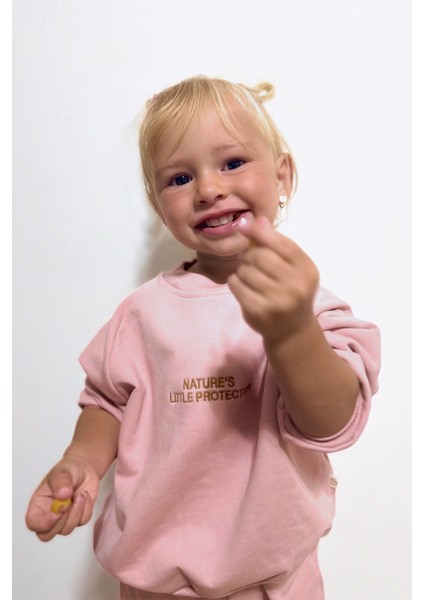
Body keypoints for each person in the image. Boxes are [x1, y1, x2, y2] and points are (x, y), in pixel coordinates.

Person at [26, 75, 381, 599]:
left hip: (277, 585)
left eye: (232, 163)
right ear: (158, 204)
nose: (209, 189)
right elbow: (107, 401)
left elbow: (332, 422)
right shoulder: (142, 314)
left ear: (282, 176)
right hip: (155, 585)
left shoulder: (308, 309)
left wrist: (292, 334)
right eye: (179, 178)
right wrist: (83, 459)